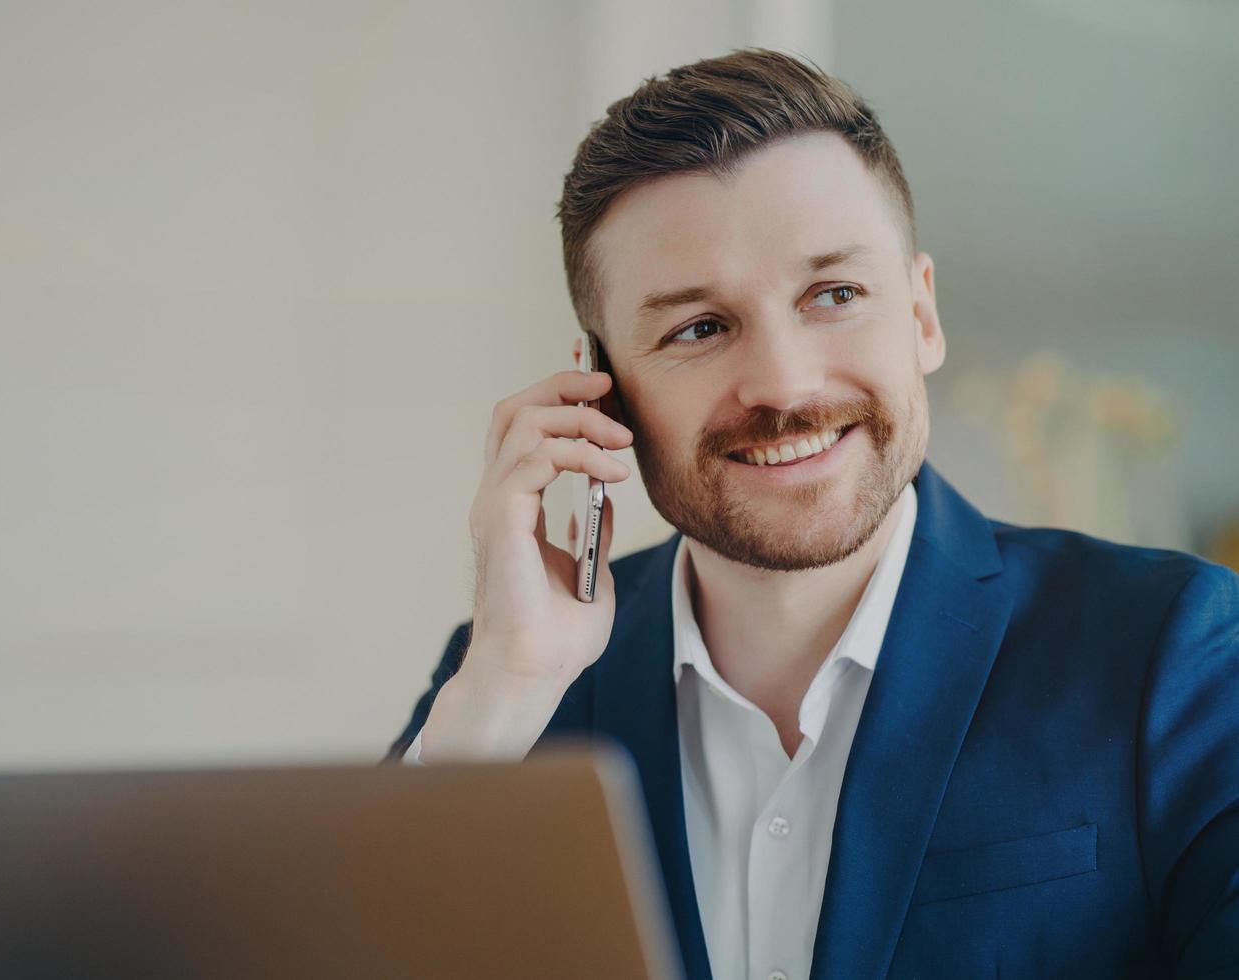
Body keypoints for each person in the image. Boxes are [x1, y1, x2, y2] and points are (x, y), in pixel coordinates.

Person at [382, 48, 1238, 980]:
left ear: (920, 317)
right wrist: (501, 694)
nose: (785, 385)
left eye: (834, 295)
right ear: (602, 390)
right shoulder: (505, 692)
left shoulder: (1178, 651)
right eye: (698, 329)